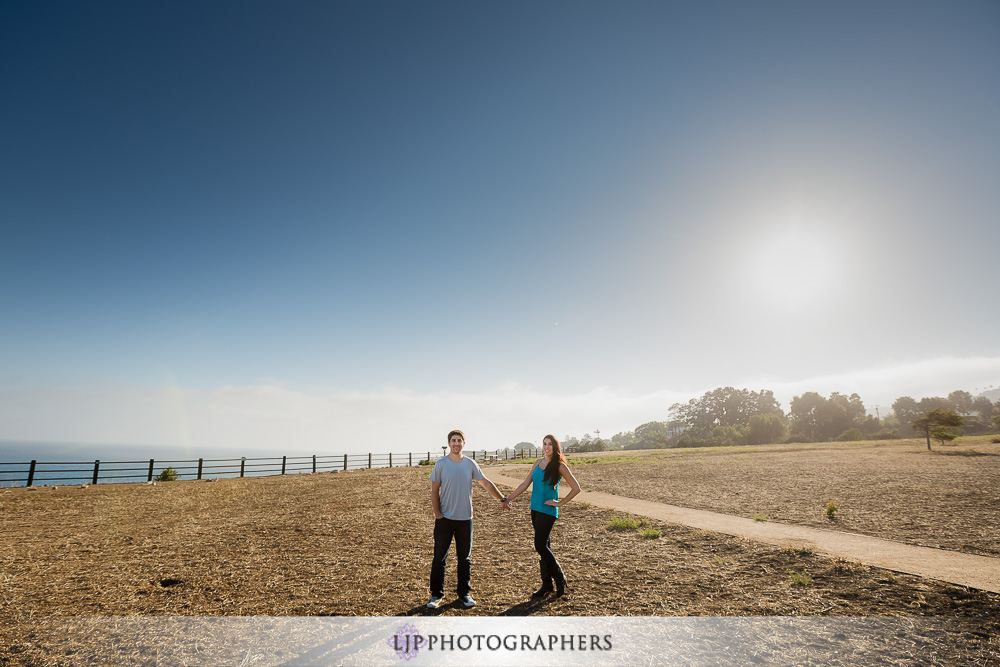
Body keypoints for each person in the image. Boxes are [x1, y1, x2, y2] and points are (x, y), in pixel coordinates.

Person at [428, 429, 511, 609]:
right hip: (445, 519)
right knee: (439, 558)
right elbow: (434, 491)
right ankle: (436, 596)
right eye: (453, 440)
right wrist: (438, 515)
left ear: (463, 443)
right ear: (449, 443)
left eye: (459, 441)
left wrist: (502, 498)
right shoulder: (441, 464)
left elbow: (486, 483)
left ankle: (464, 594)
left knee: (464, 558)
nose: (456, 443)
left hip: (466, 519)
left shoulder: (470, 464)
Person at [506, 434, 581, 598]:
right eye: (544, 444)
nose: (546, 447)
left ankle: (560, 578)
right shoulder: (537, 463)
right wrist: (508, 498)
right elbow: (525, 484)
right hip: (535, 509)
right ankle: (547, 584)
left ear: (555, 447)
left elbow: (576, 488)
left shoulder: (560, 466)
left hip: (548, 510)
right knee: (545, 546)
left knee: (540, 545)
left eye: (550, 444)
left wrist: (561, 503)